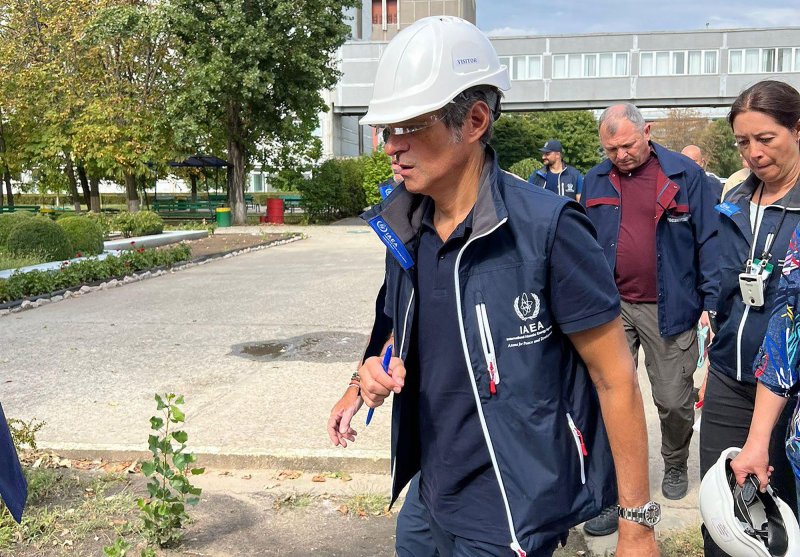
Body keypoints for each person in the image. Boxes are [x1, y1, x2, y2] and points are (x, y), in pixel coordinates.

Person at [341, 15, 659, 557]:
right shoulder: (404, 228)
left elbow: (615, 379)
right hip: (428, 495)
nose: (391, 146)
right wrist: (364, 377)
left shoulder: (549, 230)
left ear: (475, 119)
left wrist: (637, 525)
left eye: (409, 126)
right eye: (387, 129)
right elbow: (403, 328)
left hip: (510, 506)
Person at [580, 104, 720, 537]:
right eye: (611, 148)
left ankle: (675, 461)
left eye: (627, 144)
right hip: (610, 305)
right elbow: (581, 242)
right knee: (608, 398)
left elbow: (709, 239)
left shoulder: (684, 176)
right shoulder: (594, 180)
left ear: (648, 132)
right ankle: (612, 492)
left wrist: (713, 304)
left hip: (671, 305)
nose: (620, 155)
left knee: (674, 398)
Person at [699, 79, 800, 556]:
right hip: (728, 378)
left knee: (781, 518)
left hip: (787, 393)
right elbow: (725, 292)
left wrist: (760, 437)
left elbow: (789, 320)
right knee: (722, 517)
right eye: (743, 142)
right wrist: (712, 356)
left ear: (797, 130)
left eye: (766, 139)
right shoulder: (734, 203)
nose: (753, 154)